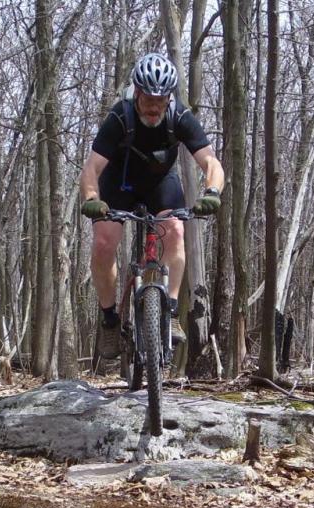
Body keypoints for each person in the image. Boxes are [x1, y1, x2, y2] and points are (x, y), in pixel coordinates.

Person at [79, 53, 225, 359]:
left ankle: (169, 312)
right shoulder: (120, 117)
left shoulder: (180, 117)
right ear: (137, 92)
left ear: (169, 97)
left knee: (175, 231)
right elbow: (92, 168)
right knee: (104, 244)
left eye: (161, 100)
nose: (154, 107)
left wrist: (211, 191)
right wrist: (92, 199)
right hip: (119, 184)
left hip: (160, 184)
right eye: (148, 100)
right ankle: (109, 320)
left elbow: (211, 161)